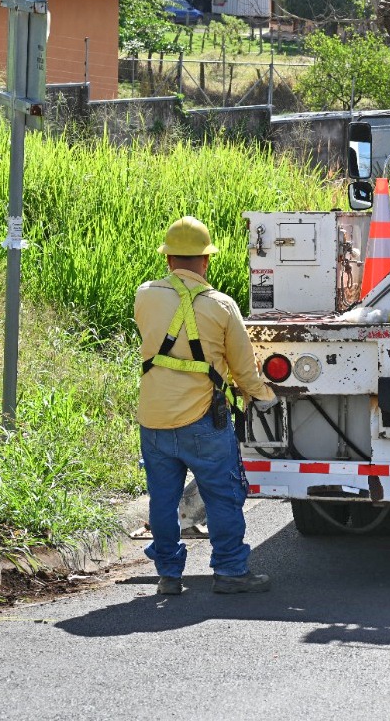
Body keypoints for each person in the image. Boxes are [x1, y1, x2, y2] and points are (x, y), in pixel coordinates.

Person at [135, 216, 276, 596]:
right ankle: (230, 570)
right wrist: (264, 398)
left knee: (162, 500)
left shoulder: (144, 295)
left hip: (154, 418)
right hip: (202, 421)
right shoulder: (222, 306)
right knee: (223, 496)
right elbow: (244, 372)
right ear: (206, 261)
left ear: (168, 260)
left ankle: (168, 574)